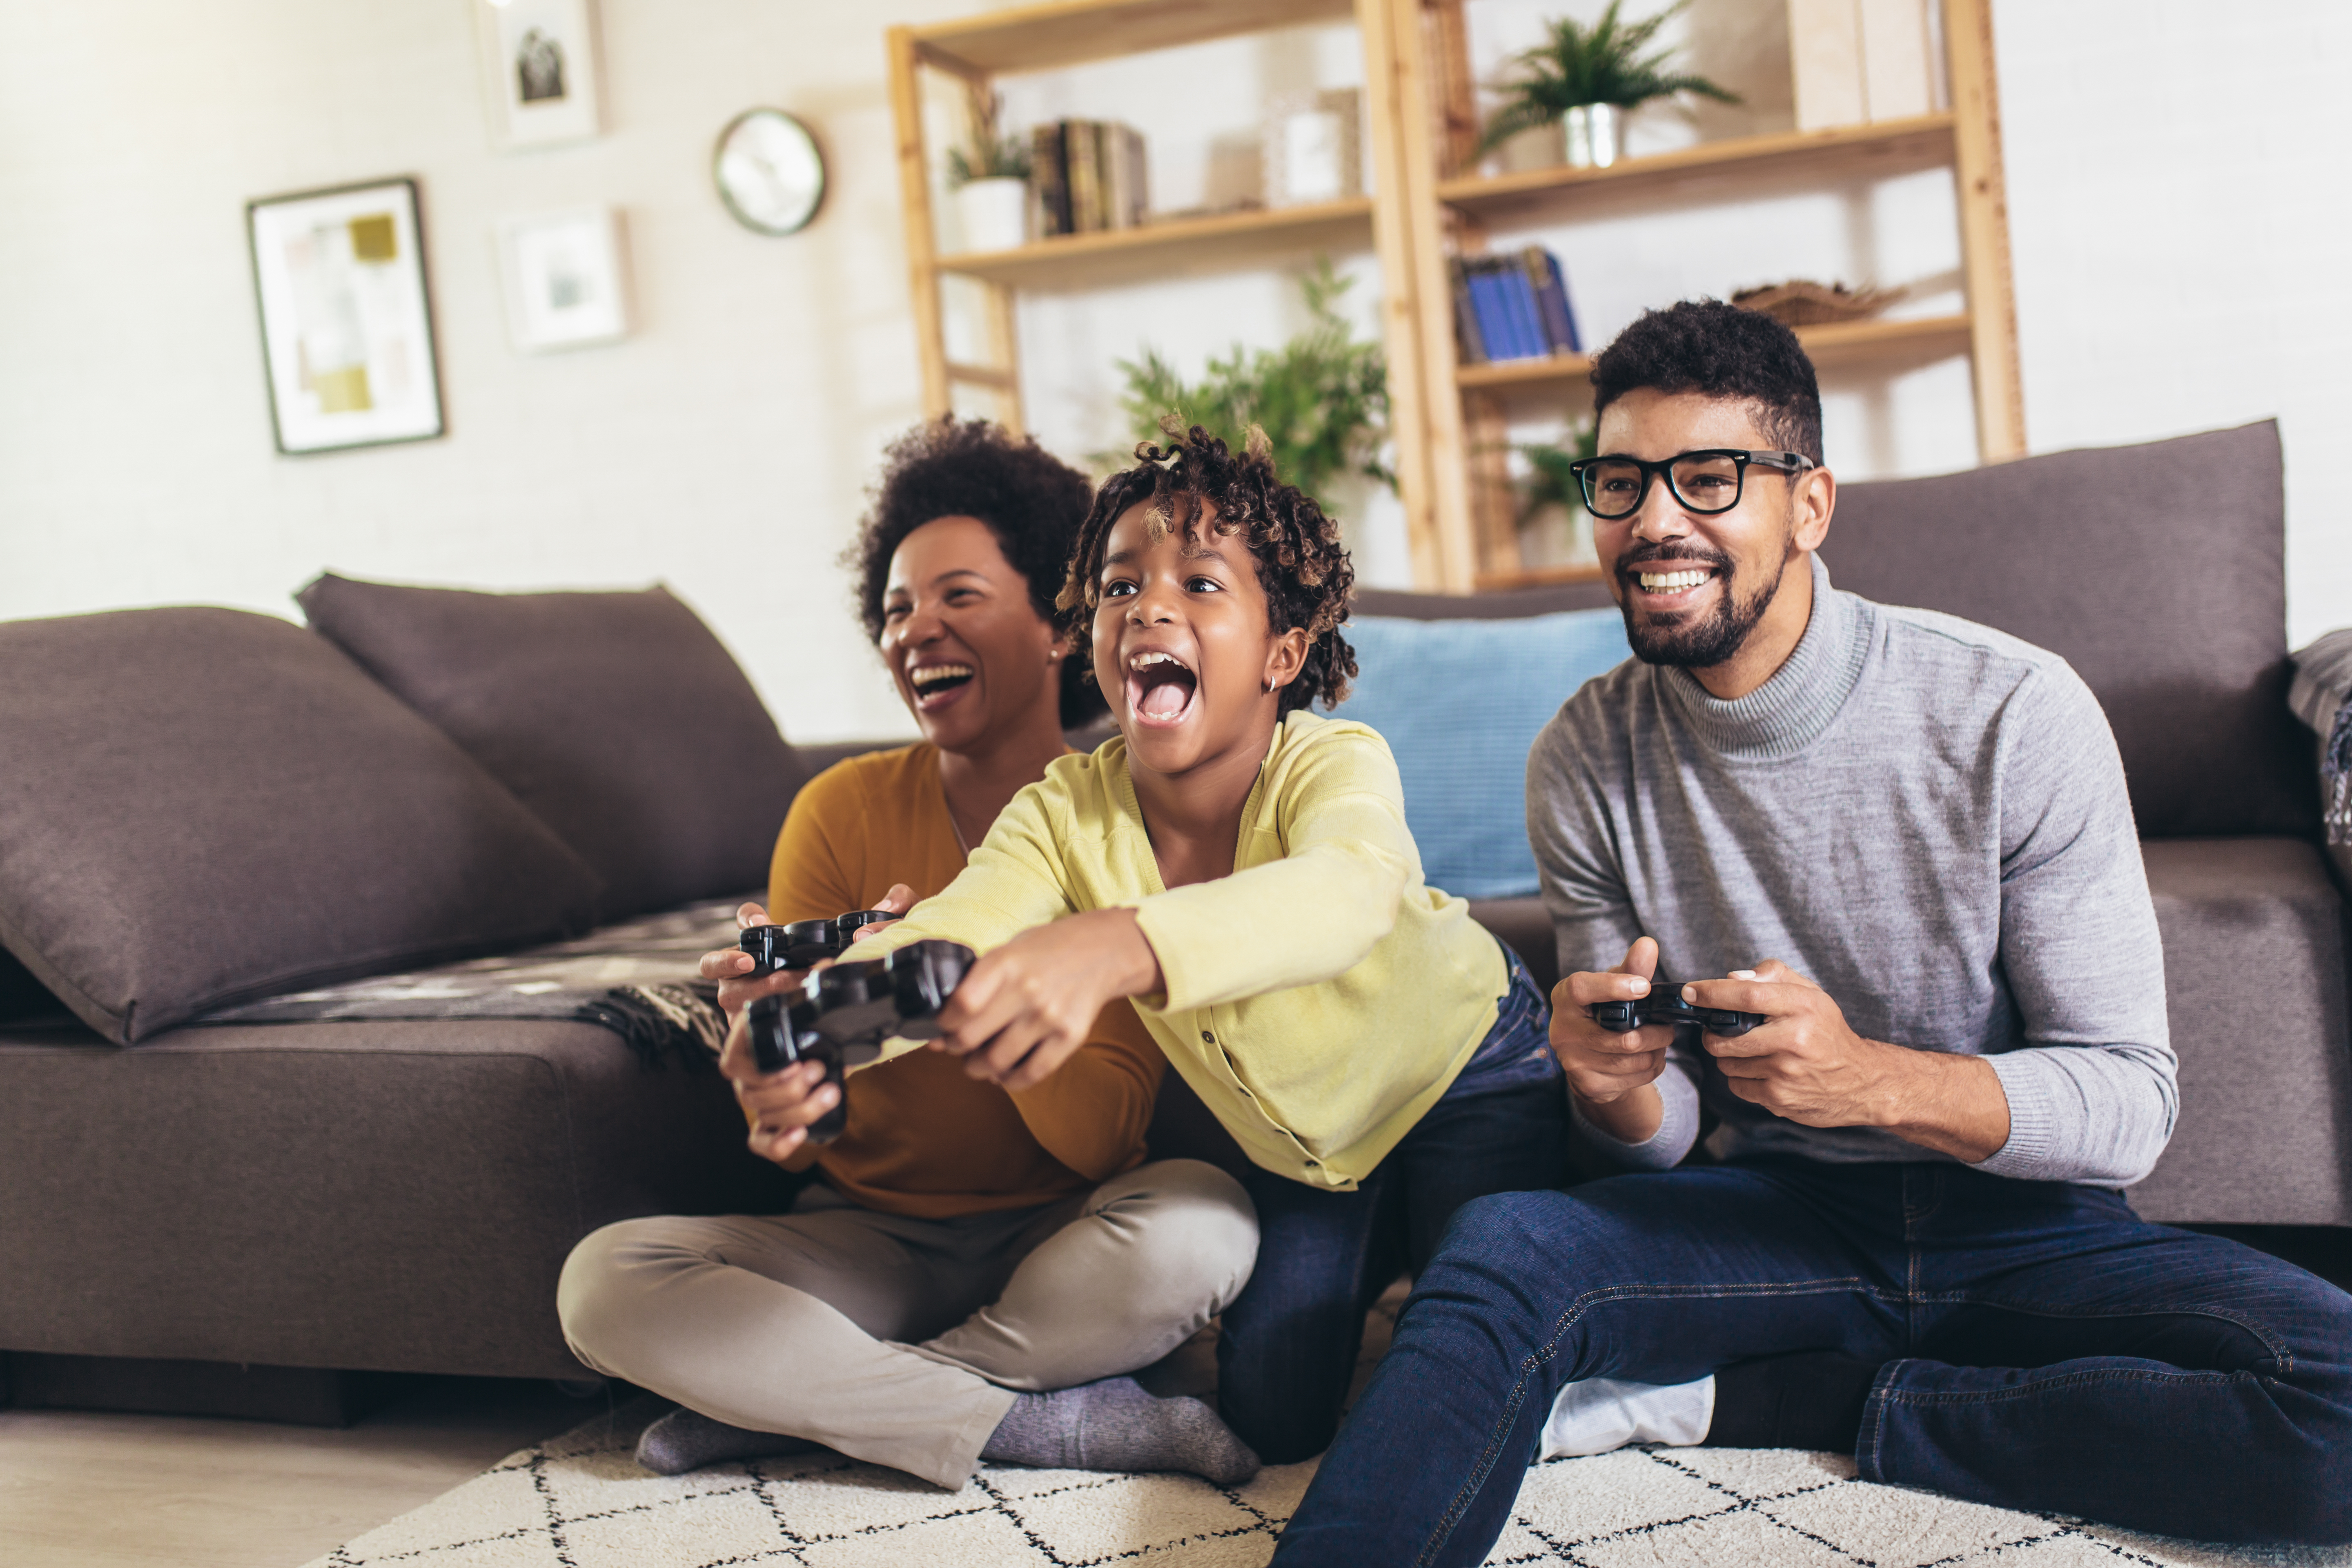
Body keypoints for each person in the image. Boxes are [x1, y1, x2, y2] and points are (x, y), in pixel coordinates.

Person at [1274, 300, 2352, 1561]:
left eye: (1710, 478)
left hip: (2023, 1227)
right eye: (1621, 482)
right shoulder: (1584, 752)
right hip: (1772, 1219)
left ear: (1811, 504)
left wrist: (1868, 1081)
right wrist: (1614, 1090)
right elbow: (1660, 1143)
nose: (1655, 521)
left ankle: (1822, 1401)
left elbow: (2130, 1100)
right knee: (1505, 1249)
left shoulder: (2010, 710)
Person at [775, 423, 1575, 1467]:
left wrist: (1117, 943)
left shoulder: (1329, 763)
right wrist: (813, 1028)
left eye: (1201, 585)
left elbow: (1347, 893)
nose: (1149, 605)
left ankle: (1436, 1264)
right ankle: (1383, 1251)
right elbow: (946, 935)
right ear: (1092, 642)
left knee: (1481, 1363)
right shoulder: (1065, 808)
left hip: (1464, 1074)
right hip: (1309, 1144)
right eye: (1118, 588)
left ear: (1282, 655)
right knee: (1274, 1419)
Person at [557, 418, 1262, 1493]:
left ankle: (814, 1409)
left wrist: (967, 999)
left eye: (958, 597)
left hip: (1064, 1232)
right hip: (867, 1241)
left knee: (1206, 1228)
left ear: (1059, 627)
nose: (915, 630)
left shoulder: (1122, 818)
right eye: (894, 609)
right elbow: (790, 1145)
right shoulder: (838, 812)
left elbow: (1100, 1139)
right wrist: (792, 1050)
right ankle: (1034, 1423)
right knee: (604, 1283)